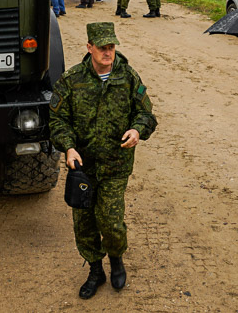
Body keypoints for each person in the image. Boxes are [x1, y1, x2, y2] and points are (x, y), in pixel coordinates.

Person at [49, 22, 158, 299]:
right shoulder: (71, 80)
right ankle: (95, 271)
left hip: (115, 164)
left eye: (111, 47)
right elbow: (58, 120)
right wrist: (68, 148)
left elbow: (146, 114)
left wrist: (137, 130)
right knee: (83, 223)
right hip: (82, 167)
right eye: (102, 47)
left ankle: (116, 259)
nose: (108, 52)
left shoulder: (128, 77)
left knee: (110, 221)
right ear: (89, 48)